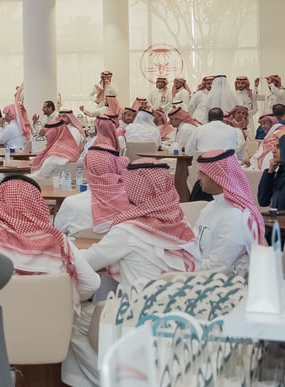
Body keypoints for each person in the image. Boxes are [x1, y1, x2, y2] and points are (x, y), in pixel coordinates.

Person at [0, 176, 100, 387]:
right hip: (51, 334)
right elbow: (91, 284)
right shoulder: (60, 242)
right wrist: (65, 297)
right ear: (38, 204)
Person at [85, 161, 199, 292]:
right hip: (182, 299)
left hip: (142, 302)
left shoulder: (128, 231)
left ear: (135, 190)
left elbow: (88, 262)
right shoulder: (182, 223)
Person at [194, 149, 264, 275]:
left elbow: (218, 267)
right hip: (197, 273)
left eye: (202, 173)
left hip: (223, 283)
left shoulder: (235, 216)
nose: (198, 178)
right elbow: (193, 244)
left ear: (218, 178)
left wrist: (183, 268)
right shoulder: (209, 207)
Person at [55, 116, 128, 236]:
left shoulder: (71, 203)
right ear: (116, 166)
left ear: (87, 169)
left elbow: (57, 233)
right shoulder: (131, 201)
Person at [29, 115, 82, 181]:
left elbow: (41, 176)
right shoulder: (67, 148)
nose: (46, 137)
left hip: (49, 184)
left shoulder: (56, 154)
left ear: (53, 135)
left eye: (47, 134)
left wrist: (24, 177)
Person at [257, 135, 285, 210]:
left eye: (278, 147)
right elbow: (263, 201)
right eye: (274, 146)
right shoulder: (280, 171)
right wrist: (270, 173)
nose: (273, 151)